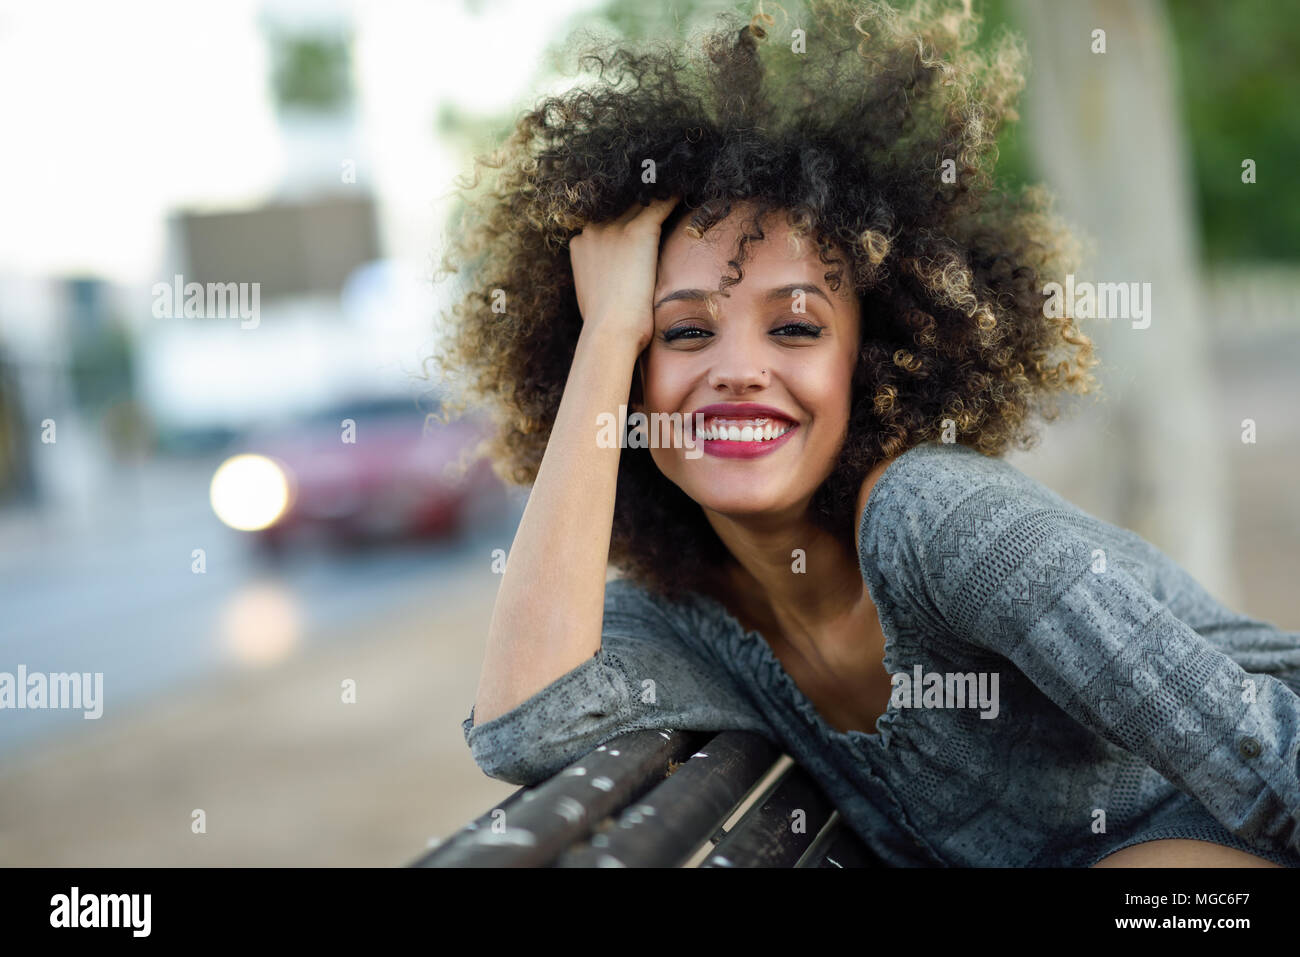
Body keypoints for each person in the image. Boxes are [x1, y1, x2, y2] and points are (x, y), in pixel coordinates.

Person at [434, 0, 1300, 867]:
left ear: (870, 360)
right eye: (684, 332)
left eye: (797, 327)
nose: (737, 370)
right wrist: (608, 330)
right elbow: (526, 730)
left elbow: (1263, 755)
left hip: (1202, 822)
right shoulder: (689, 618)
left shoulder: (938, 523)